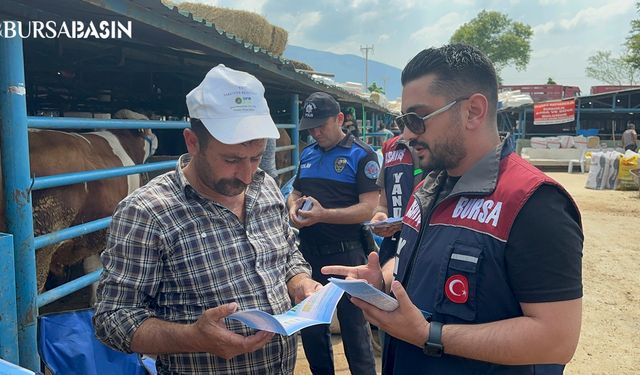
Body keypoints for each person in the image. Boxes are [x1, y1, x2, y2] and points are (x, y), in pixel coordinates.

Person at [323, 44, 583, 374]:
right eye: (403, 120)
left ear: (473, 111)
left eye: (417, 119)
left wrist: (428, 335)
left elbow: (556, 339)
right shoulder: (428, 187)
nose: (405, 135)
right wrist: (383, 279)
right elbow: (422, 259)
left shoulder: (533, 203)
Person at [93, 64, 320, 374]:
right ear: (192, 142)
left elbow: (288, 254)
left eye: (255, 157)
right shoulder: (147, 213)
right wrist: (192, 338)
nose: (246, 174)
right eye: (231, 160)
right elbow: (112, 318)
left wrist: (300, 282)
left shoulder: (265, 186)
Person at [287, 92, 379, 375]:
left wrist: (324, 215)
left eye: (321, 126)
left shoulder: (361, 155)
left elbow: (368, 209)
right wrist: (293, 207)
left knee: (355, 332)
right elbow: (296, 190)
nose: (315, 132)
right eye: (310, 128)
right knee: (313, 330)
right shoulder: (309, 153)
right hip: (309, 255)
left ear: (339, 119)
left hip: (348, 252)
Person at [371, 133, 424, 268]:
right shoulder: (391, 147)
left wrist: (407, 224)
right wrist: (379, 218)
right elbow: (382, 205)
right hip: (393, 244)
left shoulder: (439, 148)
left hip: (423, 245)